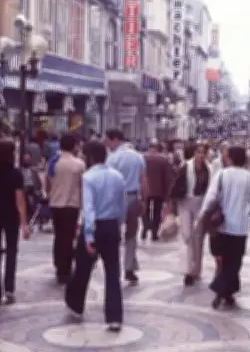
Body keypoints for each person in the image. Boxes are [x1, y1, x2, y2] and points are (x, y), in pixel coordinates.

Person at [65, 141, 126, 332]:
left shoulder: (88, 178)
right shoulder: (118, 176)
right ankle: (114, 317)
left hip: (95, 226)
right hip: (111, 225)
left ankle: (75, 303)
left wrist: (89, 236)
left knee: (83, 267)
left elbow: (88, 209)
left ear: (90, 157)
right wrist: (120, 226)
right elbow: (122, 205)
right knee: (113, 272)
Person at [199, 146, 250, 309]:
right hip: (239, 227)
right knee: (235, 262)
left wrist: (203, 215)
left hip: (221, 225)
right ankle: (223, 290)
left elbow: (211, 197)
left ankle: (225, 292)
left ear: (230, 158)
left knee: (223, 261)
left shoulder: (222, 175)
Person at [0, 139, 31, 306]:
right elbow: (20, 201)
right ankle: (9, 289)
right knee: (11, 252)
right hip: (11, 217)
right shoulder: (15, 174)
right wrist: (24, 224)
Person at [104, 129, 145, 285]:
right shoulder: (137, 156)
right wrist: (143, 200)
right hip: (133, 197)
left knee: (114, 233)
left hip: (116, 198)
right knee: (131, 234)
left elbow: (108, 181)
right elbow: (143, 180)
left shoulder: (111, 159)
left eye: (108, 140)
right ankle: (129, 268)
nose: (107, 144)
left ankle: (114, 266)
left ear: (115, 140)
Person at [46, 134, 85, 284]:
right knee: (68, 238)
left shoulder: (53, 162)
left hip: (55, 204)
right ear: (74, 146)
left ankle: (58, 265)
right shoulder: (79, 164)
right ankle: (65, 270)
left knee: (59, 236)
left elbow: (47, 184)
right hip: (72, 205)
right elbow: (83, 185)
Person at [174, 143, 211, 286]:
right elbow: (175, 185)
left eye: (203, 152)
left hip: (201, 203)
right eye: (198, 152)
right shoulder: (185, 166)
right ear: (194, 153)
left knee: (199, 237)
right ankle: (188, 270)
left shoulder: (209, 168)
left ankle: (196, 269)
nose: (200, 155)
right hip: (185, 203)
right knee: (187, 235)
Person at [142, 142, 173, 241]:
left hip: (145, 189)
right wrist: (167, 194)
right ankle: (154, 233)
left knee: (145, 210)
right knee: (156, 211)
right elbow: (168, 178)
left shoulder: (142, 158)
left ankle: (146, 227)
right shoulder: (163, 160)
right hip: (159, 190)